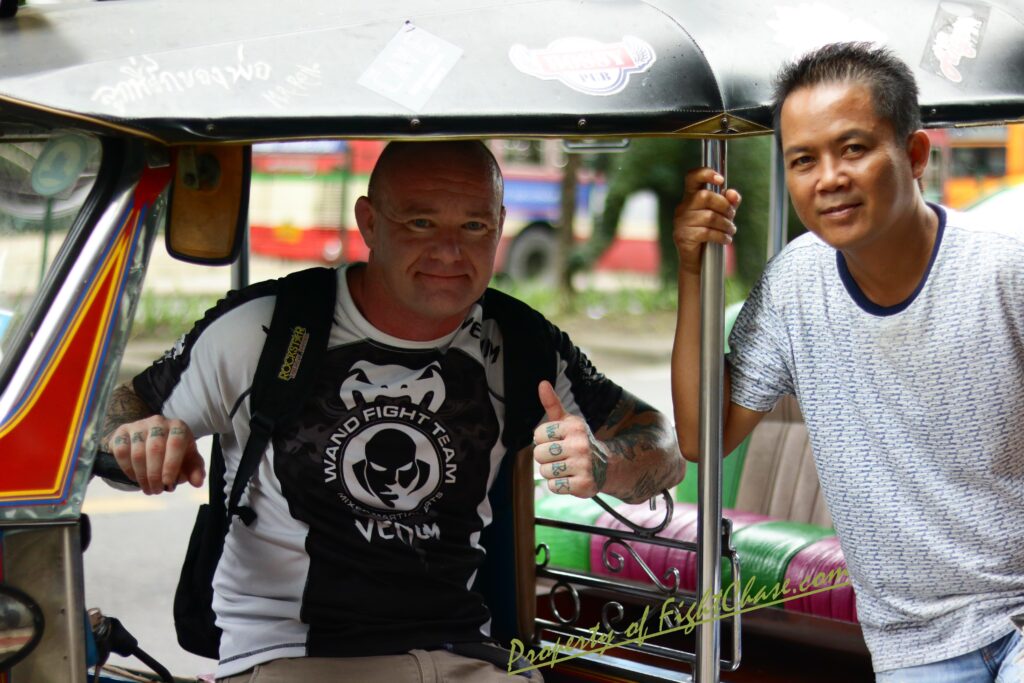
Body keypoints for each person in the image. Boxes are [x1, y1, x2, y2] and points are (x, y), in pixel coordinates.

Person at [102, 140, 683, 682]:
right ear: (370, 223)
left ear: (500, 228)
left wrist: (605, 463)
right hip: (293, 653)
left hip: (463, 652)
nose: (449, 252)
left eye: (474, 225)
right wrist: (136, 437)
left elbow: (661, 444)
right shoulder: (267, 328)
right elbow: (109, 417)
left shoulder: (522, 342)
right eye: (421, 222)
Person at [672, 42, 1024, 681]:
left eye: (854, 149)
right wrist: (692, 270)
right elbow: (703, 435)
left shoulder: (1005, 271)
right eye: (803, 159)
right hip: (913, 642)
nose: (828, 177)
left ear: (914, 156)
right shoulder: (793, 286)